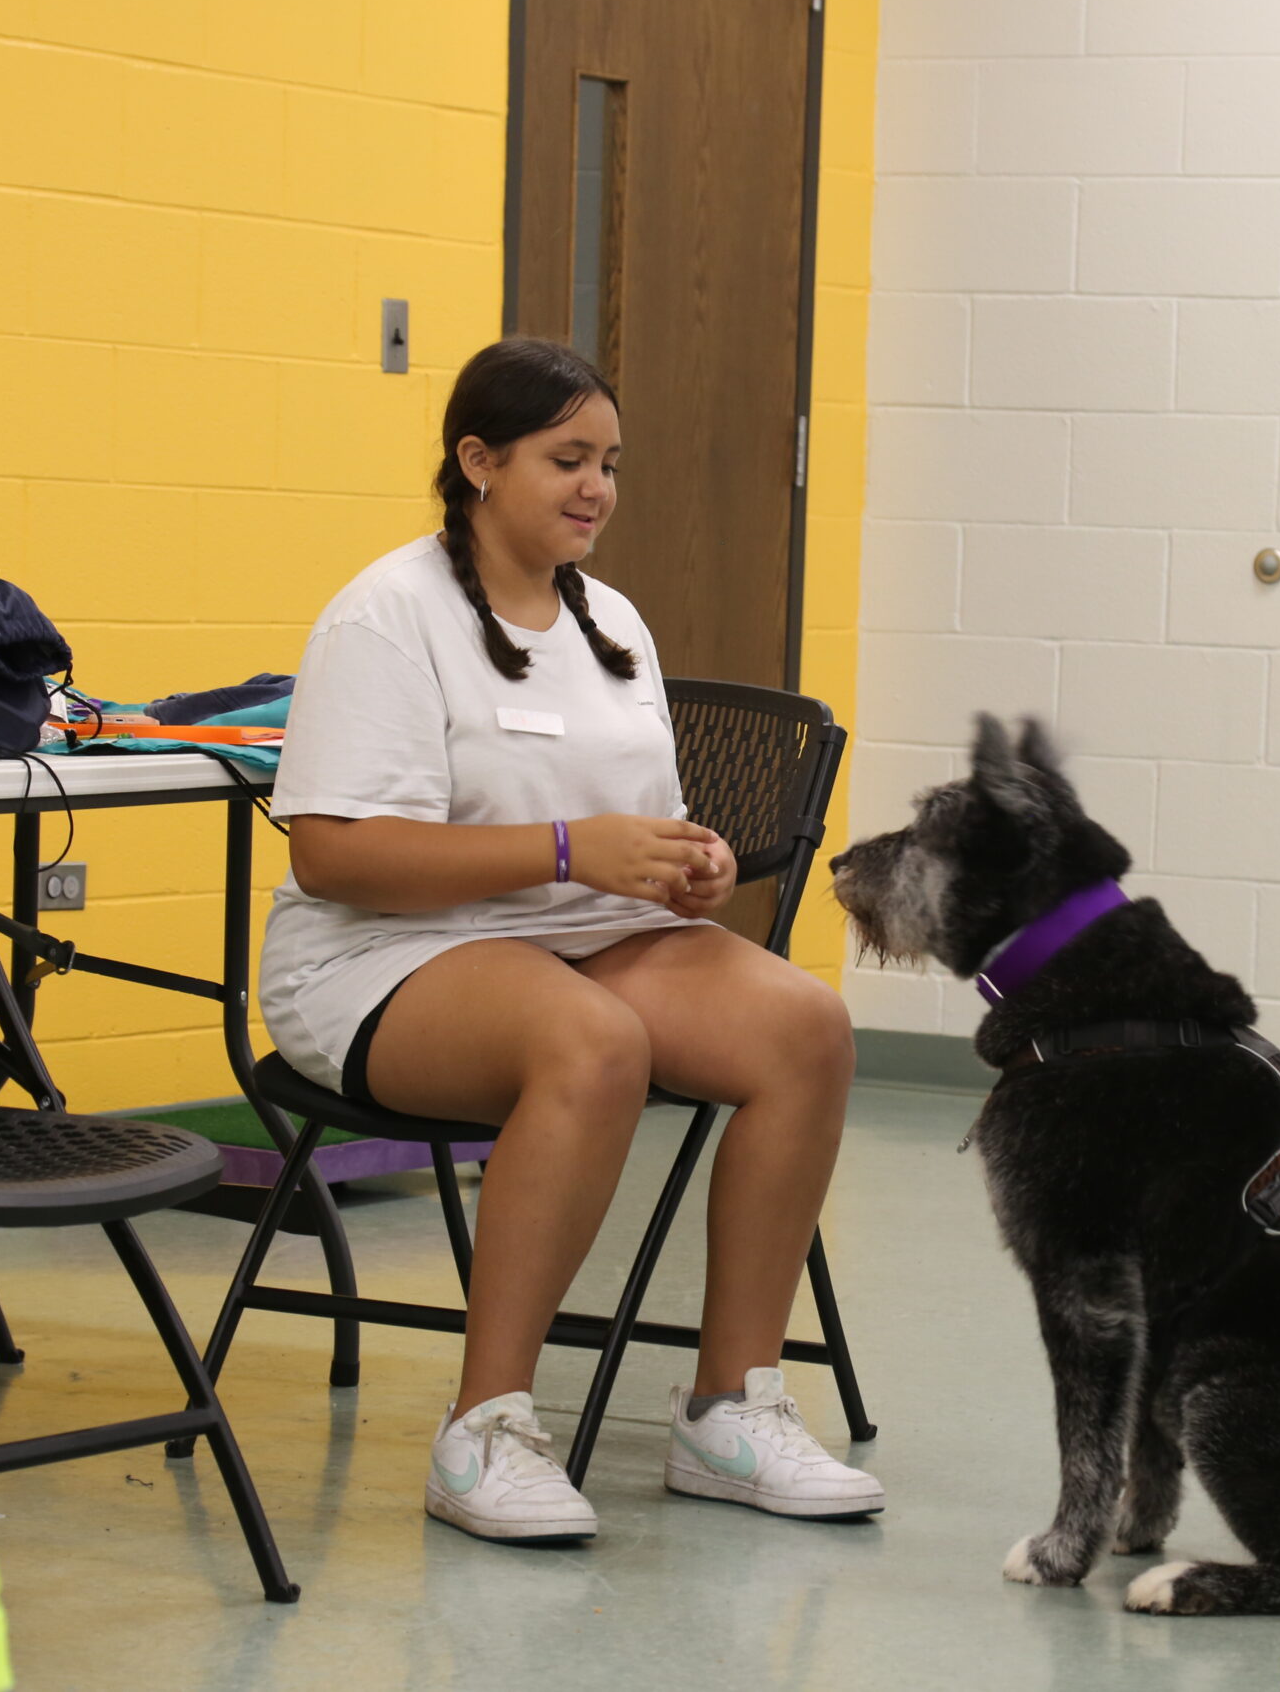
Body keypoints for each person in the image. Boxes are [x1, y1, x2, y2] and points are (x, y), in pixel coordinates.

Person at [259, 336, 883, 1544]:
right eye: (566, 460)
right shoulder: (387, 614)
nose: (596, 487)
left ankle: (728, 1410)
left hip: (587, 934)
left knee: (803, 1024)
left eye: (609, 463)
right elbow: (333, 856)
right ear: (477, 461)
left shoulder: (613, 621)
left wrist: (676, 862)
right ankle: (484, 1429)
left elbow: (612, 827)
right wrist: (565, 850)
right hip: (382, 957)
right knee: (591, 1045)